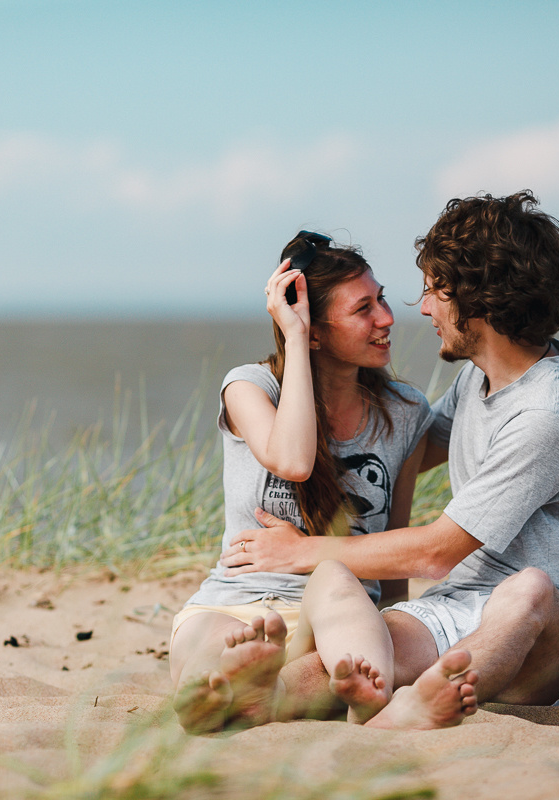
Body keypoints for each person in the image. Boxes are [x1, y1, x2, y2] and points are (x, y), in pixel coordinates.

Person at [221, 191, 559, 725]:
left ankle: (413, 710)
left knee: (528, 589)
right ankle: (238, 706)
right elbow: (401, 446)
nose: (423, 307)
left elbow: (437, 552)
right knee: (350, 663)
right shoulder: (476, 379)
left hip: (557, 633)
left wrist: (298, 551)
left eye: (435, 290)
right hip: (450, 608)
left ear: (478, 300)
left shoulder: (550, 412)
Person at [169, 232, 478, 733]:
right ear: (313, 330)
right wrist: (294, 337)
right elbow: (291, 460)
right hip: (236, 600)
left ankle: (371, 700)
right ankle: (216, 691)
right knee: (217, 637)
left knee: (335, 575)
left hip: (336, 618)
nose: (386, 317)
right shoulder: (249, 387)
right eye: (364, 309)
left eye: (380, 299)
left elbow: (390, 546)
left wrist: (392, 622)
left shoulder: (404, 412)